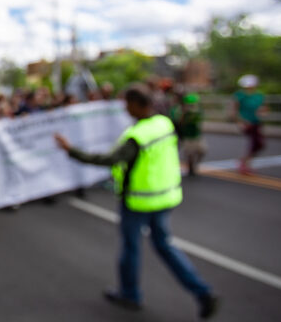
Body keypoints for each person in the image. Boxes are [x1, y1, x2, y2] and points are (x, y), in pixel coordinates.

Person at [53, 84, 218, 320]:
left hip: (139, 201)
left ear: (138, 105)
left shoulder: (137, 136)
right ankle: (202, 292)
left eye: (128, 105)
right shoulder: (163, 123)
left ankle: (129, 294)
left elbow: (108, 159)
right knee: (165, 245)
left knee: (131, 248)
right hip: (166, 196)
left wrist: (70, 150)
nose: (126, 109)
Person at [233, 74, 266, 175]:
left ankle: (245, 161)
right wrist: (240, 121)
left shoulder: (259, 96)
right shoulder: (240, 95)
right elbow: (234, 110)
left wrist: (262, 112)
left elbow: (264, 108)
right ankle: (245, 164)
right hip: (246, 123)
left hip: (256, 122)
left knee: (259, 144)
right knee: (253, 142)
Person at [173, 92, 206, 176]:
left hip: (197, 135)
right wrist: (184, 114)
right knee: (190, 153)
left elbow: (200, 122)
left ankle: (195, 165)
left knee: (202, 151)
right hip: (187, 136)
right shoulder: (181, 111)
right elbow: (179, 122)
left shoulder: (198, 111)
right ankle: (191, 168)